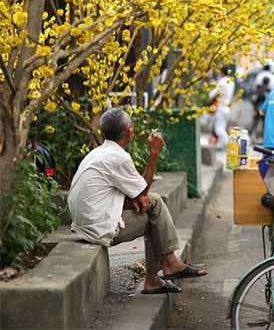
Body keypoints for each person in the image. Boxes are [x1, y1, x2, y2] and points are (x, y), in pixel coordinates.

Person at [68, 108, 207, 294]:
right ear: (129, 132)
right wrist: (154, 153)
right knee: (154, 208)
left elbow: (131, 195)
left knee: (151, 207)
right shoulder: (118, 157)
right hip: (99, 229)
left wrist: (134, 199)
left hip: (86, 224)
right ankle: (167, 266)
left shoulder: (98, 153)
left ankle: (159, 273)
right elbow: (143, 192)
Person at [209, 65, 235, 151]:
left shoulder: (222, 81)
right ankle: (221, 146)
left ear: (222, 72)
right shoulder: (231, 82)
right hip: (227, 107)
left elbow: (212, 94)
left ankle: (230, 146)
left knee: (218, 129)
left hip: (221, 107)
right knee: (222, 127)